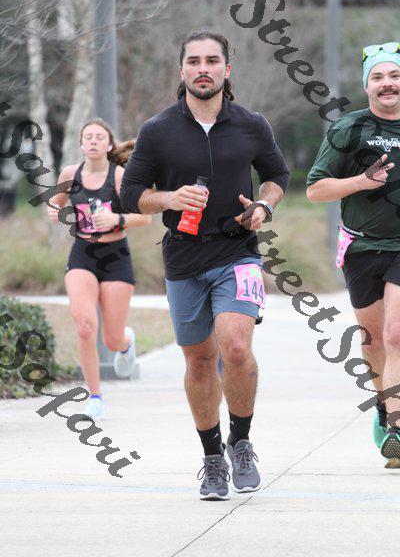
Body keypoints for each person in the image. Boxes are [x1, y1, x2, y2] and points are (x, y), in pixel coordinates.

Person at [120, 30, 289, 499]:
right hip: (183, 256)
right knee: (198, 360)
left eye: (212, 61)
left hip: (238, 251)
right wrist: (169, 198)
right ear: (182, 70)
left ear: (226, 69)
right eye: (193, 61)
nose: (203, 69)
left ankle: (242, 442)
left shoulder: (252, 124)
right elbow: (130, 193)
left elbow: (277, 174)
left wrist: (265, 205)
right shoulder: (157, 130)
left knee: (235, 345)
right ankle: (213, 458)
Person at [307, 42, 400, 468]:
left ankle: (397, 428)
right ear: (367, 86)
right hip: (361, 248)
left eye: (394, 75)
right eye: (378, 77)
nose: (387, 83)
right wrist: (362, 181)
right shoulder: (348, 128)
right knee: (373, 340)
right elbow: (315, 189)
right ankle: (384, 406)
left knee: (396, 335)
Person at [47, 118, 151, 421]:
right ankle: (94, 398)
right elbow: (54, 203)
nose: (93, 141)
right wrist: (56, 212)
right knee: (84, 326)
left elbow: (145, 217)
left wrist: (116, 220)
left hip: (116, 257)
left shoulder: (120, 176)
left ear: (108, 145)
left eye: (99, 137)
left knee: (111, 340)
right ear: (81, 144)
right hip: (83, 255)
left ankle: (126, 343)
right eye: (88, 136)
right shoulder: (70, 174)